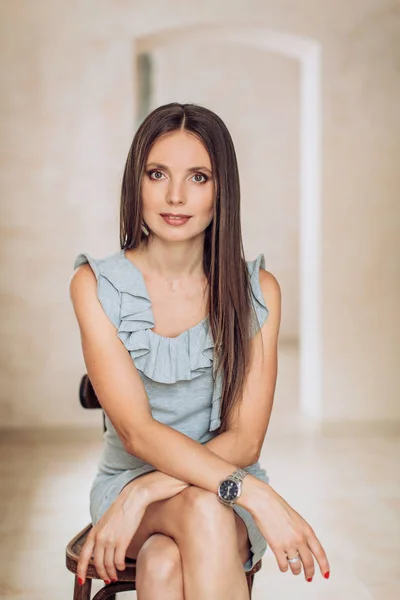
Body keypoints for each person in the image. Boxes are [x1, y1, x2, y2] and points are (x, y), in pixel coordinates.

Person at [69, 102, 330, 599]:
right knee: (203, 511)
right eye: (158, 173)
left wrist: (147, 490)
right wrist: (256, 495)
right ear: (136, 182)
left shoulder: (258, 289)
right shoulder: (96, 286)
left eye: (198, 177)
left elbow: (245, 441)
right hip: (134, 486)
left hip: (207, 488)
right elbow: (136, 433)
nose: (175, 195)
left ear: (221, 190)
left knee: (166, 560)